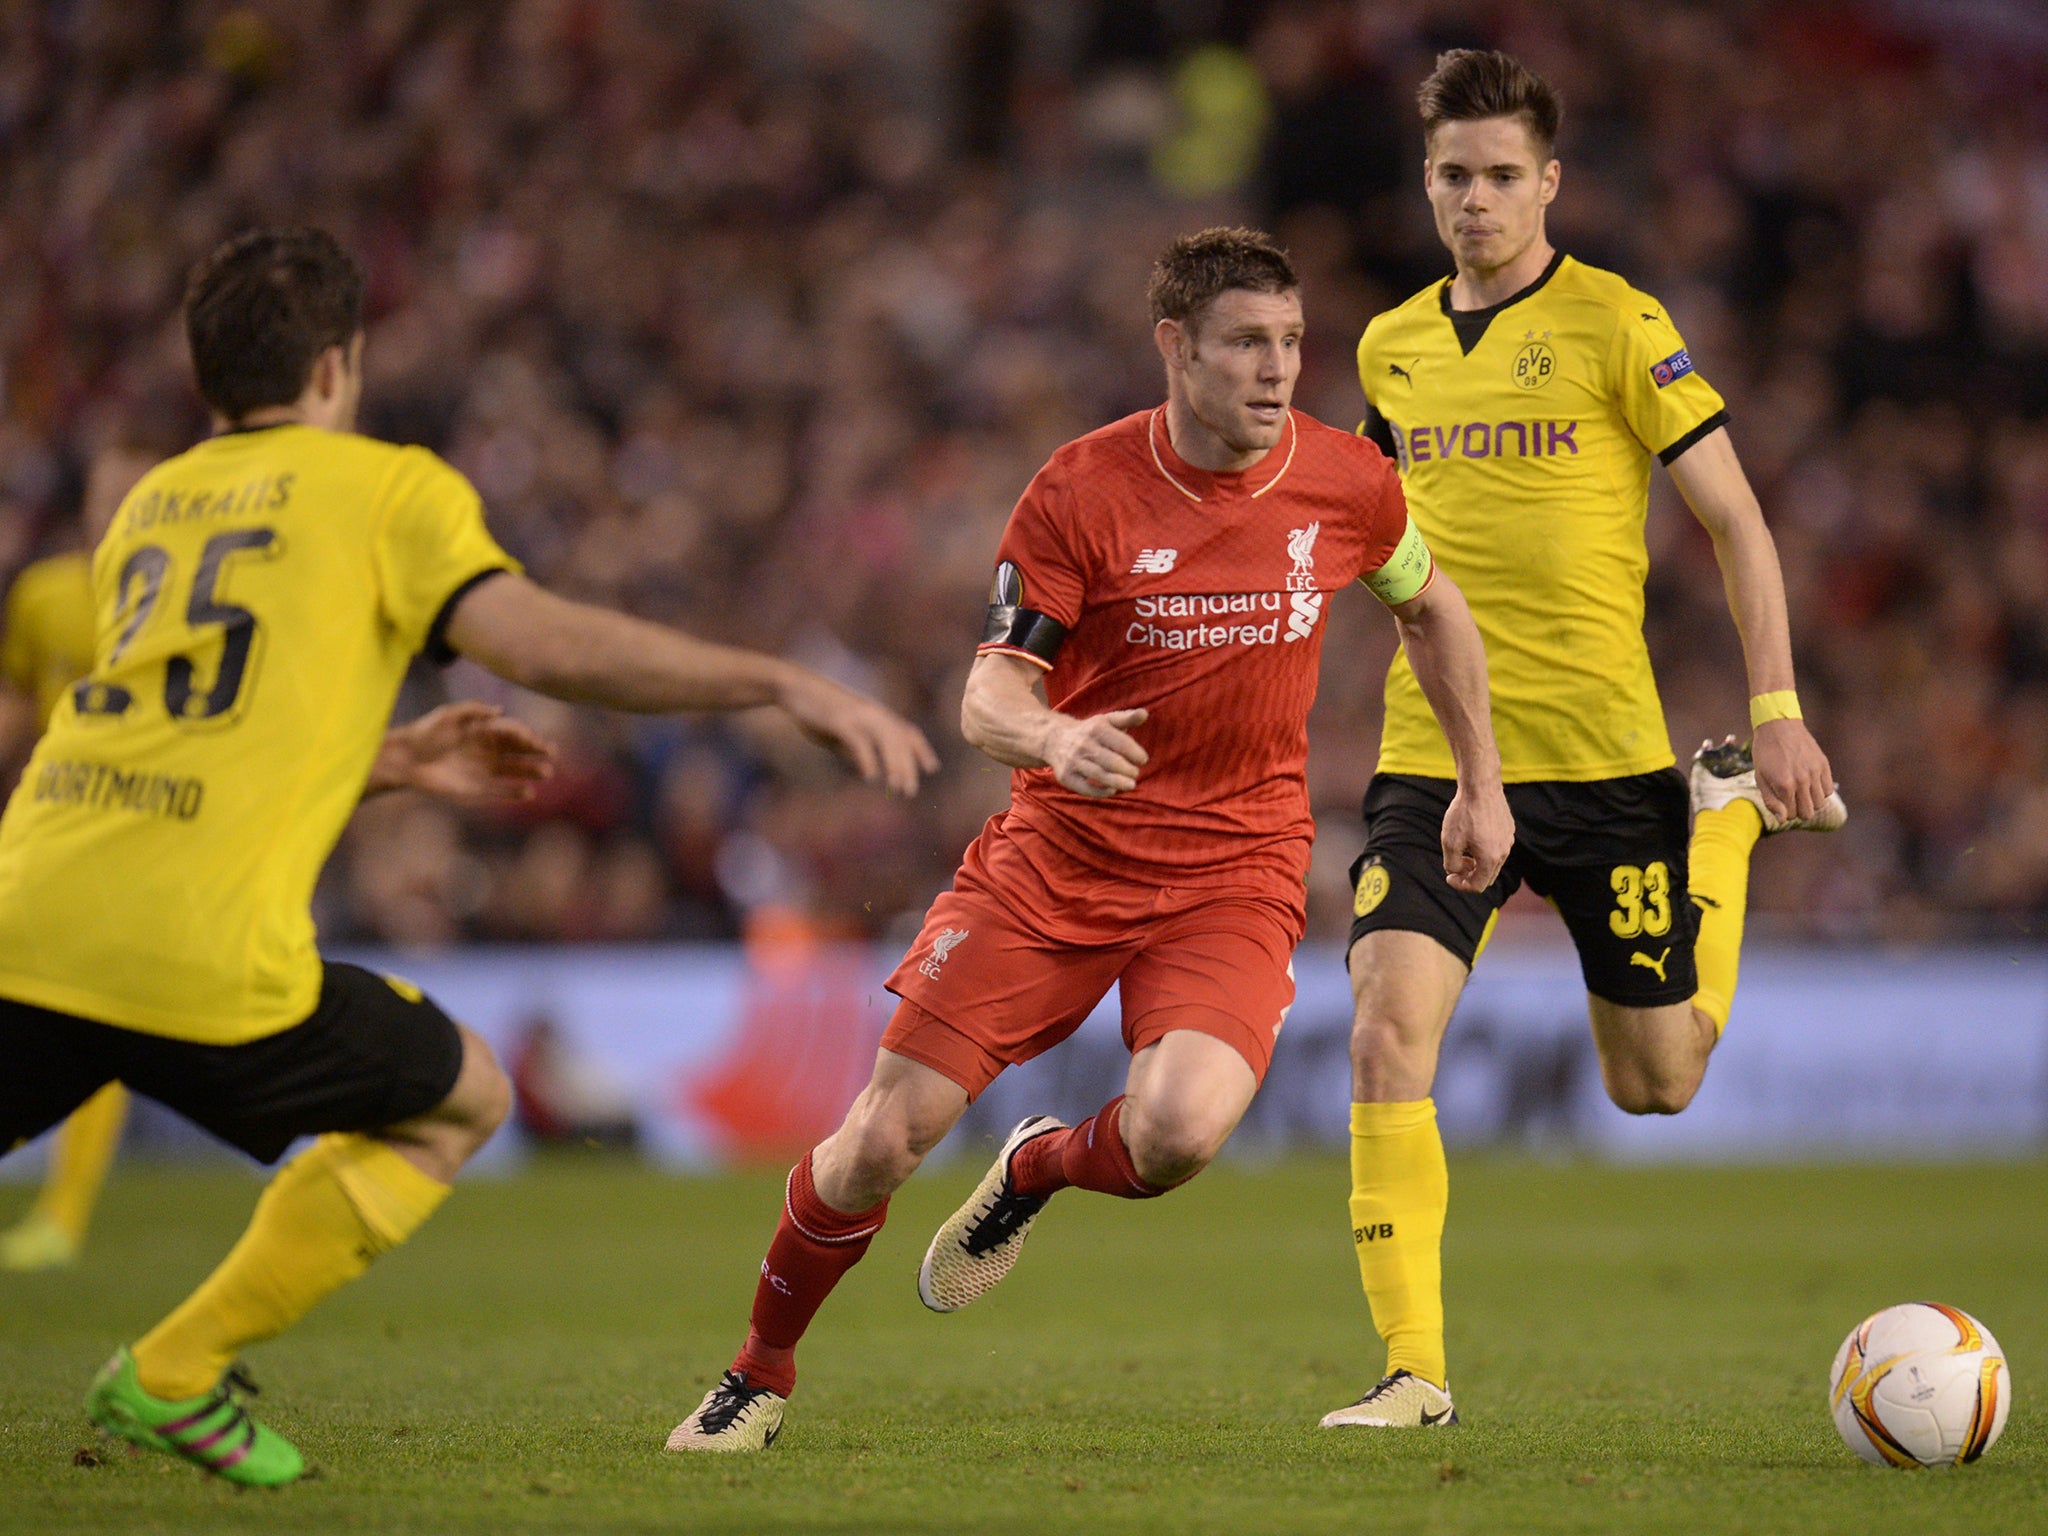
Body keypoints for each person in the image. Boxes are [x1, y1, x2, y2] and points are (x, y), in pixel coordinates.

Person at [0, 226, 937, 1486]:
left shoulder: (149, 511)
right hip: (194, 951)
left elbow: (190, 730)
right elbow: (542, 644)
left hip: (30, 909)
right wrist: (772, 681)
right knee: (462, 1094)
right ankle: (173, 1369)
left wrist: (384, 763)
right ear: (338, 366)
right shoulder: (384, 490)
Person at [667, 226, 1514, 1453]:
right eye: (1243, 345)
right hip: (1058, 862)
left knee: (1173, 1137)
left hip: (1234, 867)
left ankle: (1032, 1173)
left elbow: (1431, 609)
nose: (1274, 372)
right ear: (1173, 347)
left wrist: (1478, 784)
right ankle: (758, 1371)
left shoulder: (1346, 481)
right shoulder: (1080, 488)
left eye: (1288, 343)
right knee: (880, 1142)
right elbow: (984, 697)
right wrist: (1054, 742)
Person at [1325, 50, 1844, 1431]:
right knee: (1385, 1035)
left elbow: (1736, 521)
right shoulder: (1390, 345)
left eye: (1502, 176)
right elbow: (1365, 535)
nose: (1477, 200)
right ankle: (1412, 1371)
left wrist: (1779, 710)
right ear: (1426, 186)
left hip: (1608, 760)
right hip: (1435, 756)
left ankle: (1720, 821)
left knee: (1655, 1085)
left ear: (1549, 182)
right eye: (1453, 177)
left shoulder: (1621, 324)